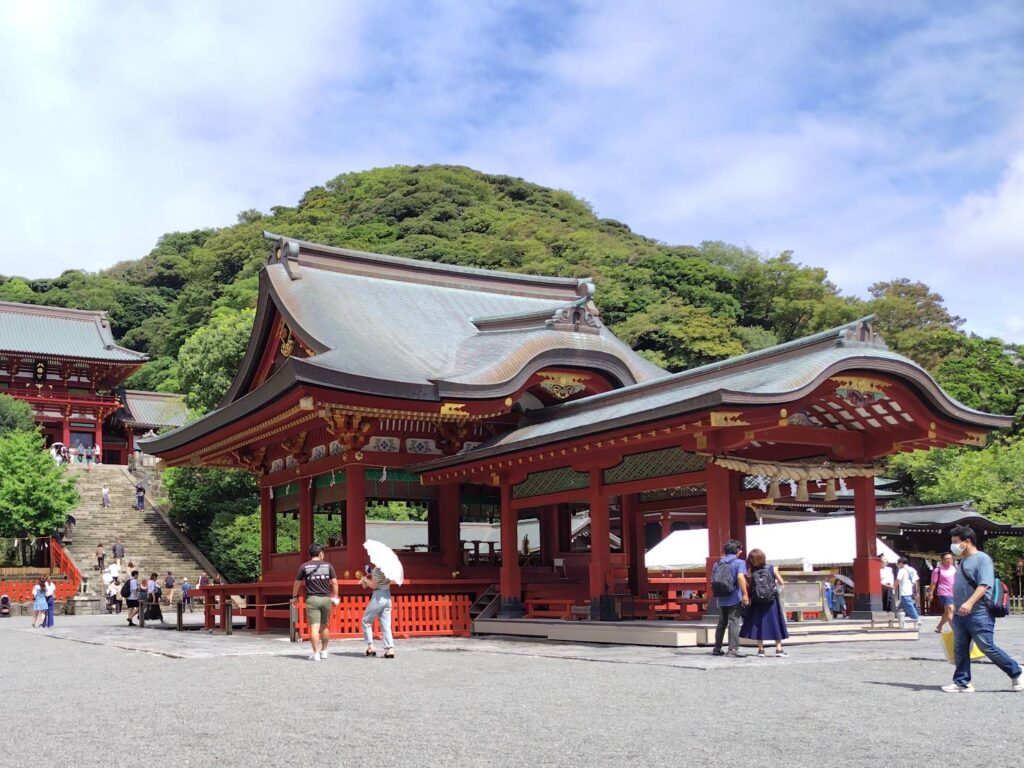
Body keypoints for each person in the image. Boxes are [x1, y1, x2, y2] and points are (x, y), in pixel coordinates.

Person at [942, 525, 1022, 693]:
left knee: (986, 646)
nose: (953, 546)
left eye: (955, 542)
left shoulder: (982, 559)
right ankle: (962, 681)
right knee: (960, 648)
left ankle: (1017, 671)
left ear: (967, 541)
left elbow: (984, 584)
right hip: (960, 613)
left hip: (979, 612)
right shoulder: (963, 561)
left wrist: (969, 602)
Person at [291, 544, 339, 661]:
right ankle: (324, 651)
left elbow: (297, 583)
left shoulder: (304, 566)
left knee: (314, 627)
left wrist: (294, 596)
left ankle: (315, 653)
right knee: (324, 625)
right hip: (326, 598)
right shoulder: (328, 566)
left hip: (312, 598)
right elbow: (334, 582)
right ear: (320, 553)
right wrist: (335, 596)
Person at [739, 548, 789, 657]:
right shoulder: (773, 568)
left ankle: (761, 650)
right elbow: (782, 582)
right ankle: (779, 649)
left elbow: (748, 584)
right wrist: (775, 591)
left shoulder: (750, 571)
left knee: (758, 623)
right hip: (771, 601)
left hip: (757, 601)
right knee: (776, 622)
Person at [711, 539, 749, 657]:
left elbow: (712, 580)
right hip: (734, 597)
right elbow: (740, 578)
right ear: (737, 551)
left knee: (722, 623)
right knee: (734, 622)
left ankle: (717, 648)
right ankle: (733, 649)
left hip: (721, 598)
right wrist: (745, 594)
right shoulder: (739, 563)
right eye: (740, 549)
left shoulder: (717, 563)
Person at [360, 562, 396, 658]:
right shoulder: (389, 568)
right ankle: (390, 648)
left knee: (366, 621)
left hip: (378, 596)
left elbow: (373, 585)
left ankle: (370, 646)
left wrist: (365, 580)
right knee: (386, 624)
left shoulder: (377, 570)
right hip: (387, 595)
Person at [931, 552, 957, 633]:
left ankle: (939, 626)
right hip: (944, 592)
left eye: (950, 559)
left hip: (954, 592)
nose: (949, 560)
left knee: (947, 612)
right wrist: (930, 593)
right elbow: (933, 583)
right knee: (950, 609)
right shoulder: (938, 570)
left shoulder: (955, 568)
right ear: (942, 560)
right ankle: (956, 631)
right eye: (946, 559)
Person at [896, 557, 921, 626]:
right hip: (910, 590)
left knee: (909, 605)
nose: (898, 565)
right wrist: (916, 591)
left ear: (901, 563)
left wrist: (893, 587)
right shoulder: (912, 569)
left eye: (898, 563)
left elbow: (898, 580)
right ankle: (899, 621)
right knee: (900, 608)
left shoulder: (902, 570)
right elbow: (915, 582)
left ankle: (916, 618)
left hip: (904, 591)